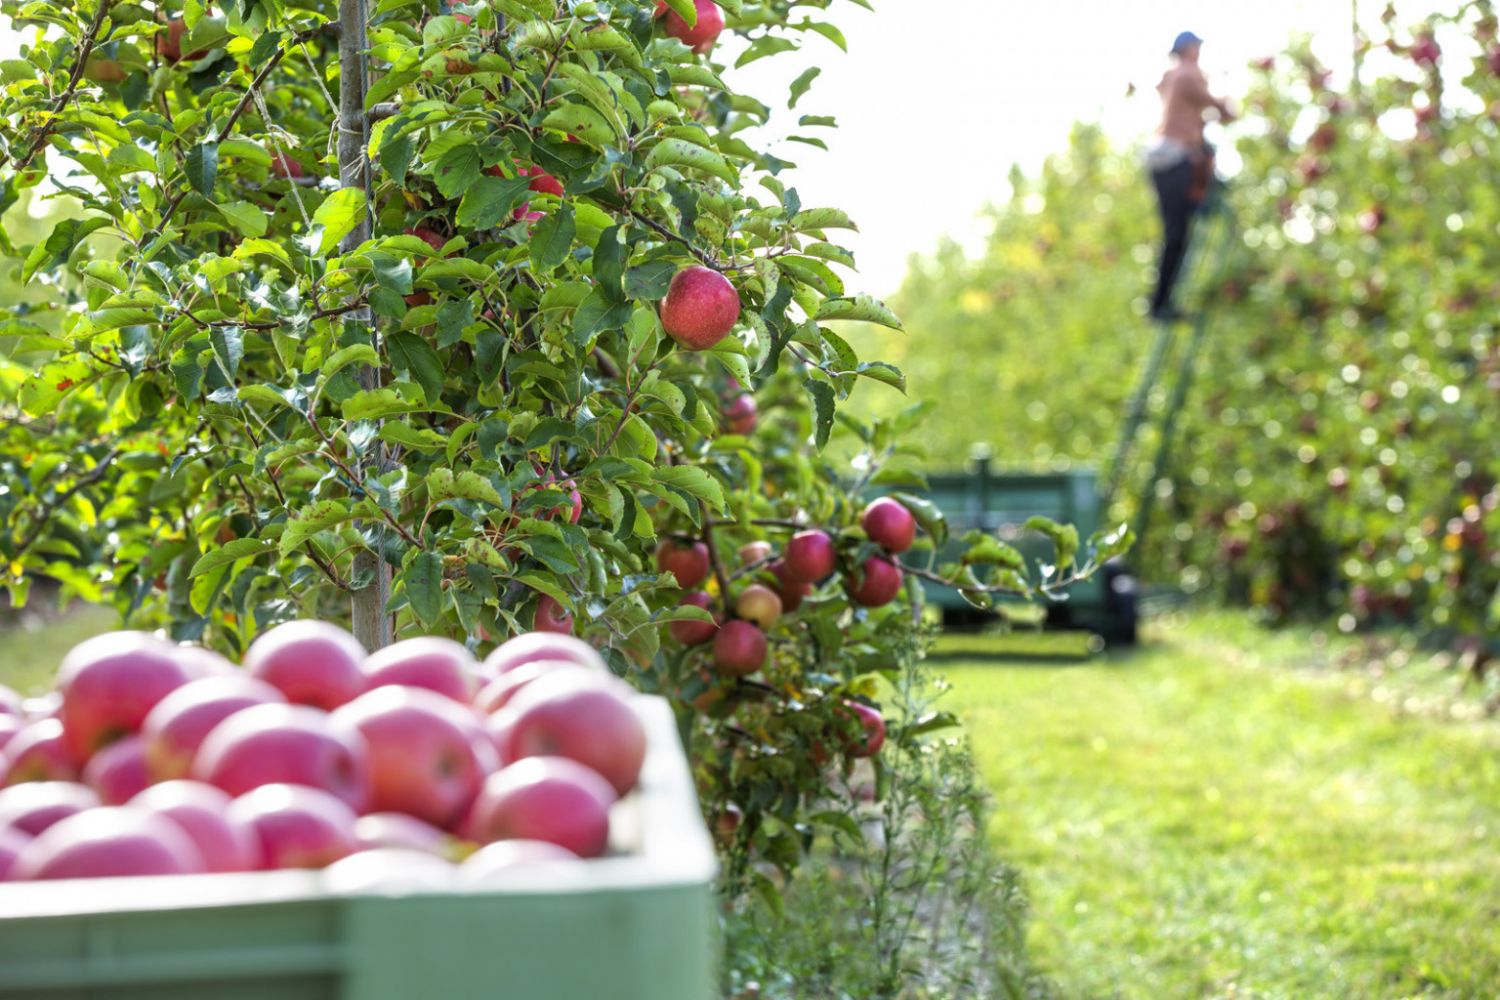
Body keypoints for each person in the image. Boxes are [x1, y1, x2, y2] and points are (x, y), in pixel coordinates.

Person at [1145, 31, 1233, 322]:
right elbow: (1212, 103)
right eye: (1196, 47)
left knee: (1176, 232)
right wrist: (1225, 106)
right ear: (1186, 49)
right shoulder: (1185, 74)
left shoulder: (1170, 79)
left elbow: (1194, 110)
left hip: (1166, 158)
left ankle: (1161, 303)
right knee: (1177, 234)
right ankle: (1159, 305)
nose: (1198, 52)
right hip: (1174, 158)